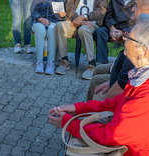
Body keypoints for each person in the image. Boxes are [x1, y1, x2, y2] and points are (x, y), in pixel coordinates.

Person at [49, 14, 149, 156]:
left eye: (129, 37)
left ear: (143, 52)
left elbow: (110, 135)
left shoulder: (145, 94)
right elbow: (113, 104)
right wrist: (76, 109)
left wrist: (69, 123)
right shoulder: (141, 76)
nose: (124, 39)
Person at [87, 0, 149, 101]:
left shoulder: (143, 36)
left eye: (136, 6)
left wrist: (103, 103)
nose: (132, 8)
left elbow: (125, 81)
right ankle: (87, 112)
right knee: (99, 69)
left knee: (96, 82)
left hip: (126, 87)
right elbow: (108, 15)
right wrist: (112, 28)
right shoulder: (140, 25)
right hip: (121, 72)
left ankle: (90, 114)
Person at [55, 0, 109, 79]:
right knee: (59, 26)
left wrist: (84, 17)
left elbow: (101, 11)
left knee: (83, 29)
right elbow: (69, 8)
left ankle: (91, 65)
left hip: (91, 24)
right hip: (74, 23)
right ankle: (64, 61)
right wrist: (78, 19)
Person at [93, 0, 139, 64]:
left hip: (129, 29)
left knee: (133, 38)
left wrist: (123, 32)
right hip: (113, 26)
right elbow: (108, 15)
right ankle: (102, 62)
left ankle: (127, 65)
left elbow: (139, 20)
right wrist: (112, 28)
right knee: (99, 32)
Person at [30, 0, 68, 74]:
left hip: (54, 22)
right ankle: (40, 61)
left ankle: (51, 62)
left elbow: (65, 17)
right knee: (40, 29)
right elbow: (33, 9)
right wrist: (40, 18)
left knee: (52, 29)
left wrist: (63, 16)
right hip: (38, 21)